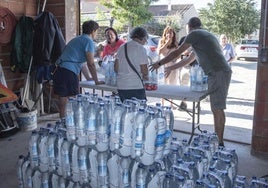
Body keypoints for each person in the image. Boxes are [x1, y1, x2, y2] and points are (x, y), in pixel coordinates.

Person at [150, 17, 232, 146]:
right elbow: (188, 60)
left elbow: (177, 53)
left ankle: (219, 143)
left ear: (189, 26)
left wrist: (159, 63)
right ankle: (219, 141)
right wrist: (170, 67)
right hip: (219, 72)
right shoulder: (204, 36)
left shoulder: (194, 34)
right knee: (217, 108)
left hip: (218, 72)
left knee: (217, 108)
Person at [53, 20, 105, 120]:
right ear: (93, 31)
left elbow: (81, 63)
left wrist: (89, 77)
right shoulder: (88, 41)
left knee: (63, 95)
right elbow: (91, 63)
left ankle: (62, 120)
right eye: (97, 31)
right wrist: (96, 80)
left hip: (60, 68)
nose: (96, 34)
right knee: (72, 98)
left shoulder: (78, 39)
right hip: (69, 71)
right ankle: (72, 121)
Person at [114, 27, 149, 102]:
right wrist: (145, 76)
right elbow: (145, 71)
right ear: (143, 37)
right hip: (135, 86)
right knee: (138, 112)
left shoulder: (122, 47)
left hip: (121, 86)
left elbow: (116, 68)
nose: (146, 41)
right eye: (146, 39)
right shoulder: (141, 49)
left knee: (125, 111)